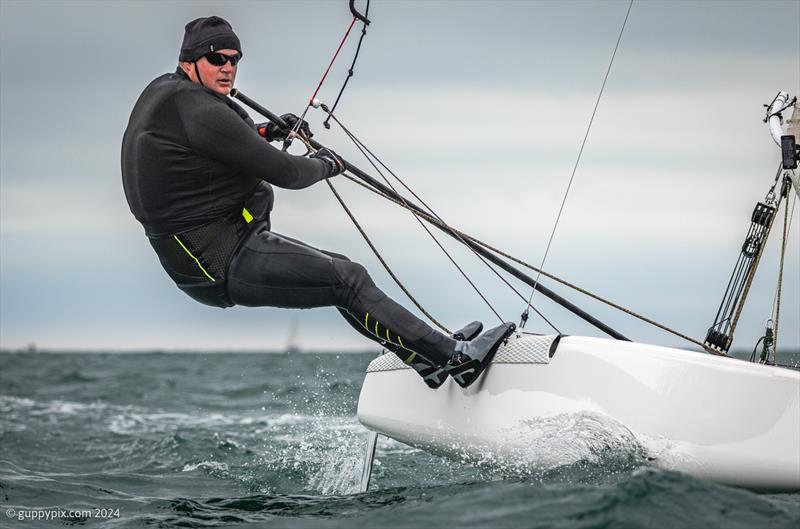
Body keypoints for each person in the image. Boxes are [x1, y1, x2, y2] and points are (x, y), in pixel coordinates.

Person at [121, 16, 514, 389]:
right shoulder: (199, 109)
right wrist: (328, 164)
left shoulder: (169, 94)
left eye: (235, 60)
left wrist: (266, 129)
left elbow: (215, 140)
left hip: (217, 248)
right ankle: (457, 360)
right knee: (347, 280)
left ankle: (426, 358)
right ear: (188, 62)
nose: (227, 68)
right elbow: (289, 174)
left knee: (341, 270)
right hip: (219, 260)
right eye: (216, 59)